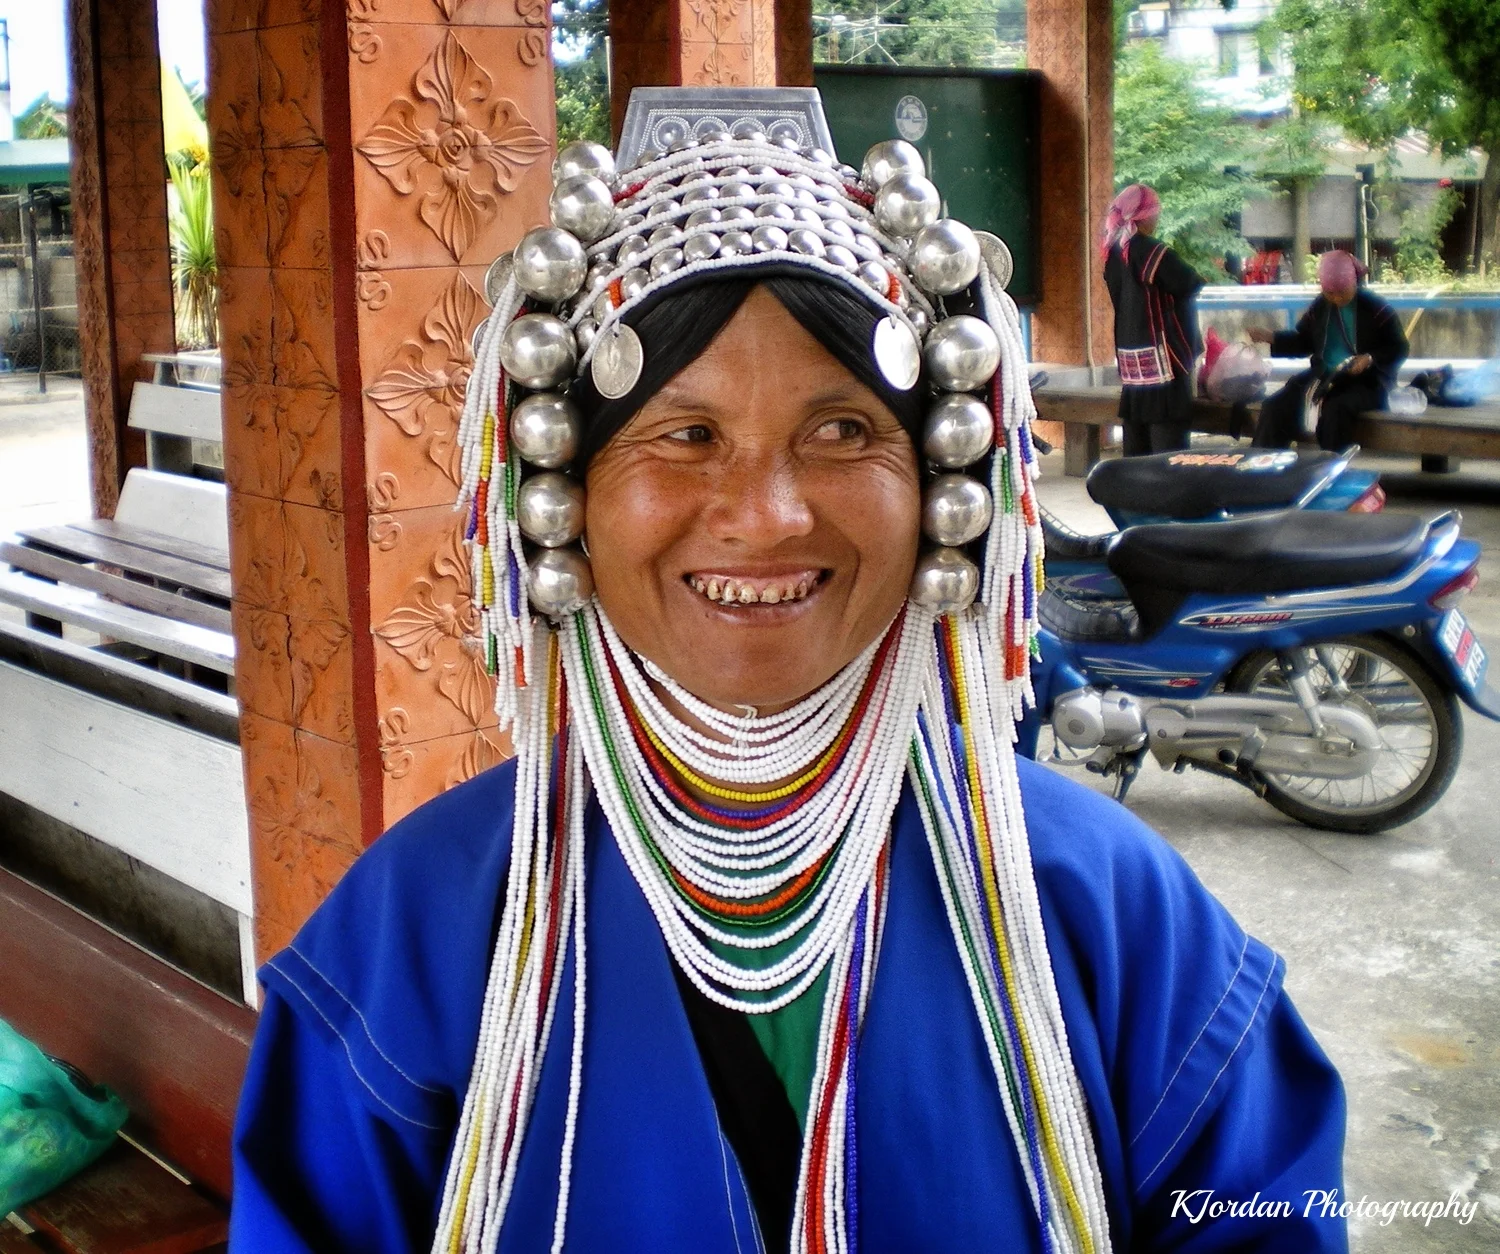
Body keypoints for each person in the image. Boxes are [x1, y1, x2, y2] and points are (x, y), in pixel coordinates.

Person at [230, 112, 1347, 1254]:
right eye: (684, 435)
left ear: (942, 488)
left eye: (843, 429)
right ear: (558, 494)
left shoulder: (1113, 917)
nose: (765, 517)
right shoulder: (414, 937)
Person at [1250, 250, 1408, 450]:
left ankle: (1328, 471)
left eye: (1342, 292)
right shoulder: (1321, 307)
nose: (1336, 298)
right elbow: (1304, 342)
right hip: (1324, 377)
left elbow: (1399, 347)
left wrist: (1370, 358)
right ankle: (1264, 468)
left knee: (1335, 410)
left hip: (1367, 383)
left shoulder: (1375, 308)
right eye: (1329, 293)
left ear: (1354, 283)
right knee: (1275, 407)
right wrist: (1272, 337)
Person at [1101, 184, 1205, 456]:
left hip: (1132, 361)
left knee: (1137, 448)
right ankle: (1167, 497)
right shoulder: (1150, 251)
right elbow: (1190, 283)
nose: (1157, 217)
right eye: (1155, 211)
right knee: (1167, 453)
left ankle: (1138, 497)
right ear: (1144, 215)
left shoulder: (1114, 253)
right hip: (1162, 362)